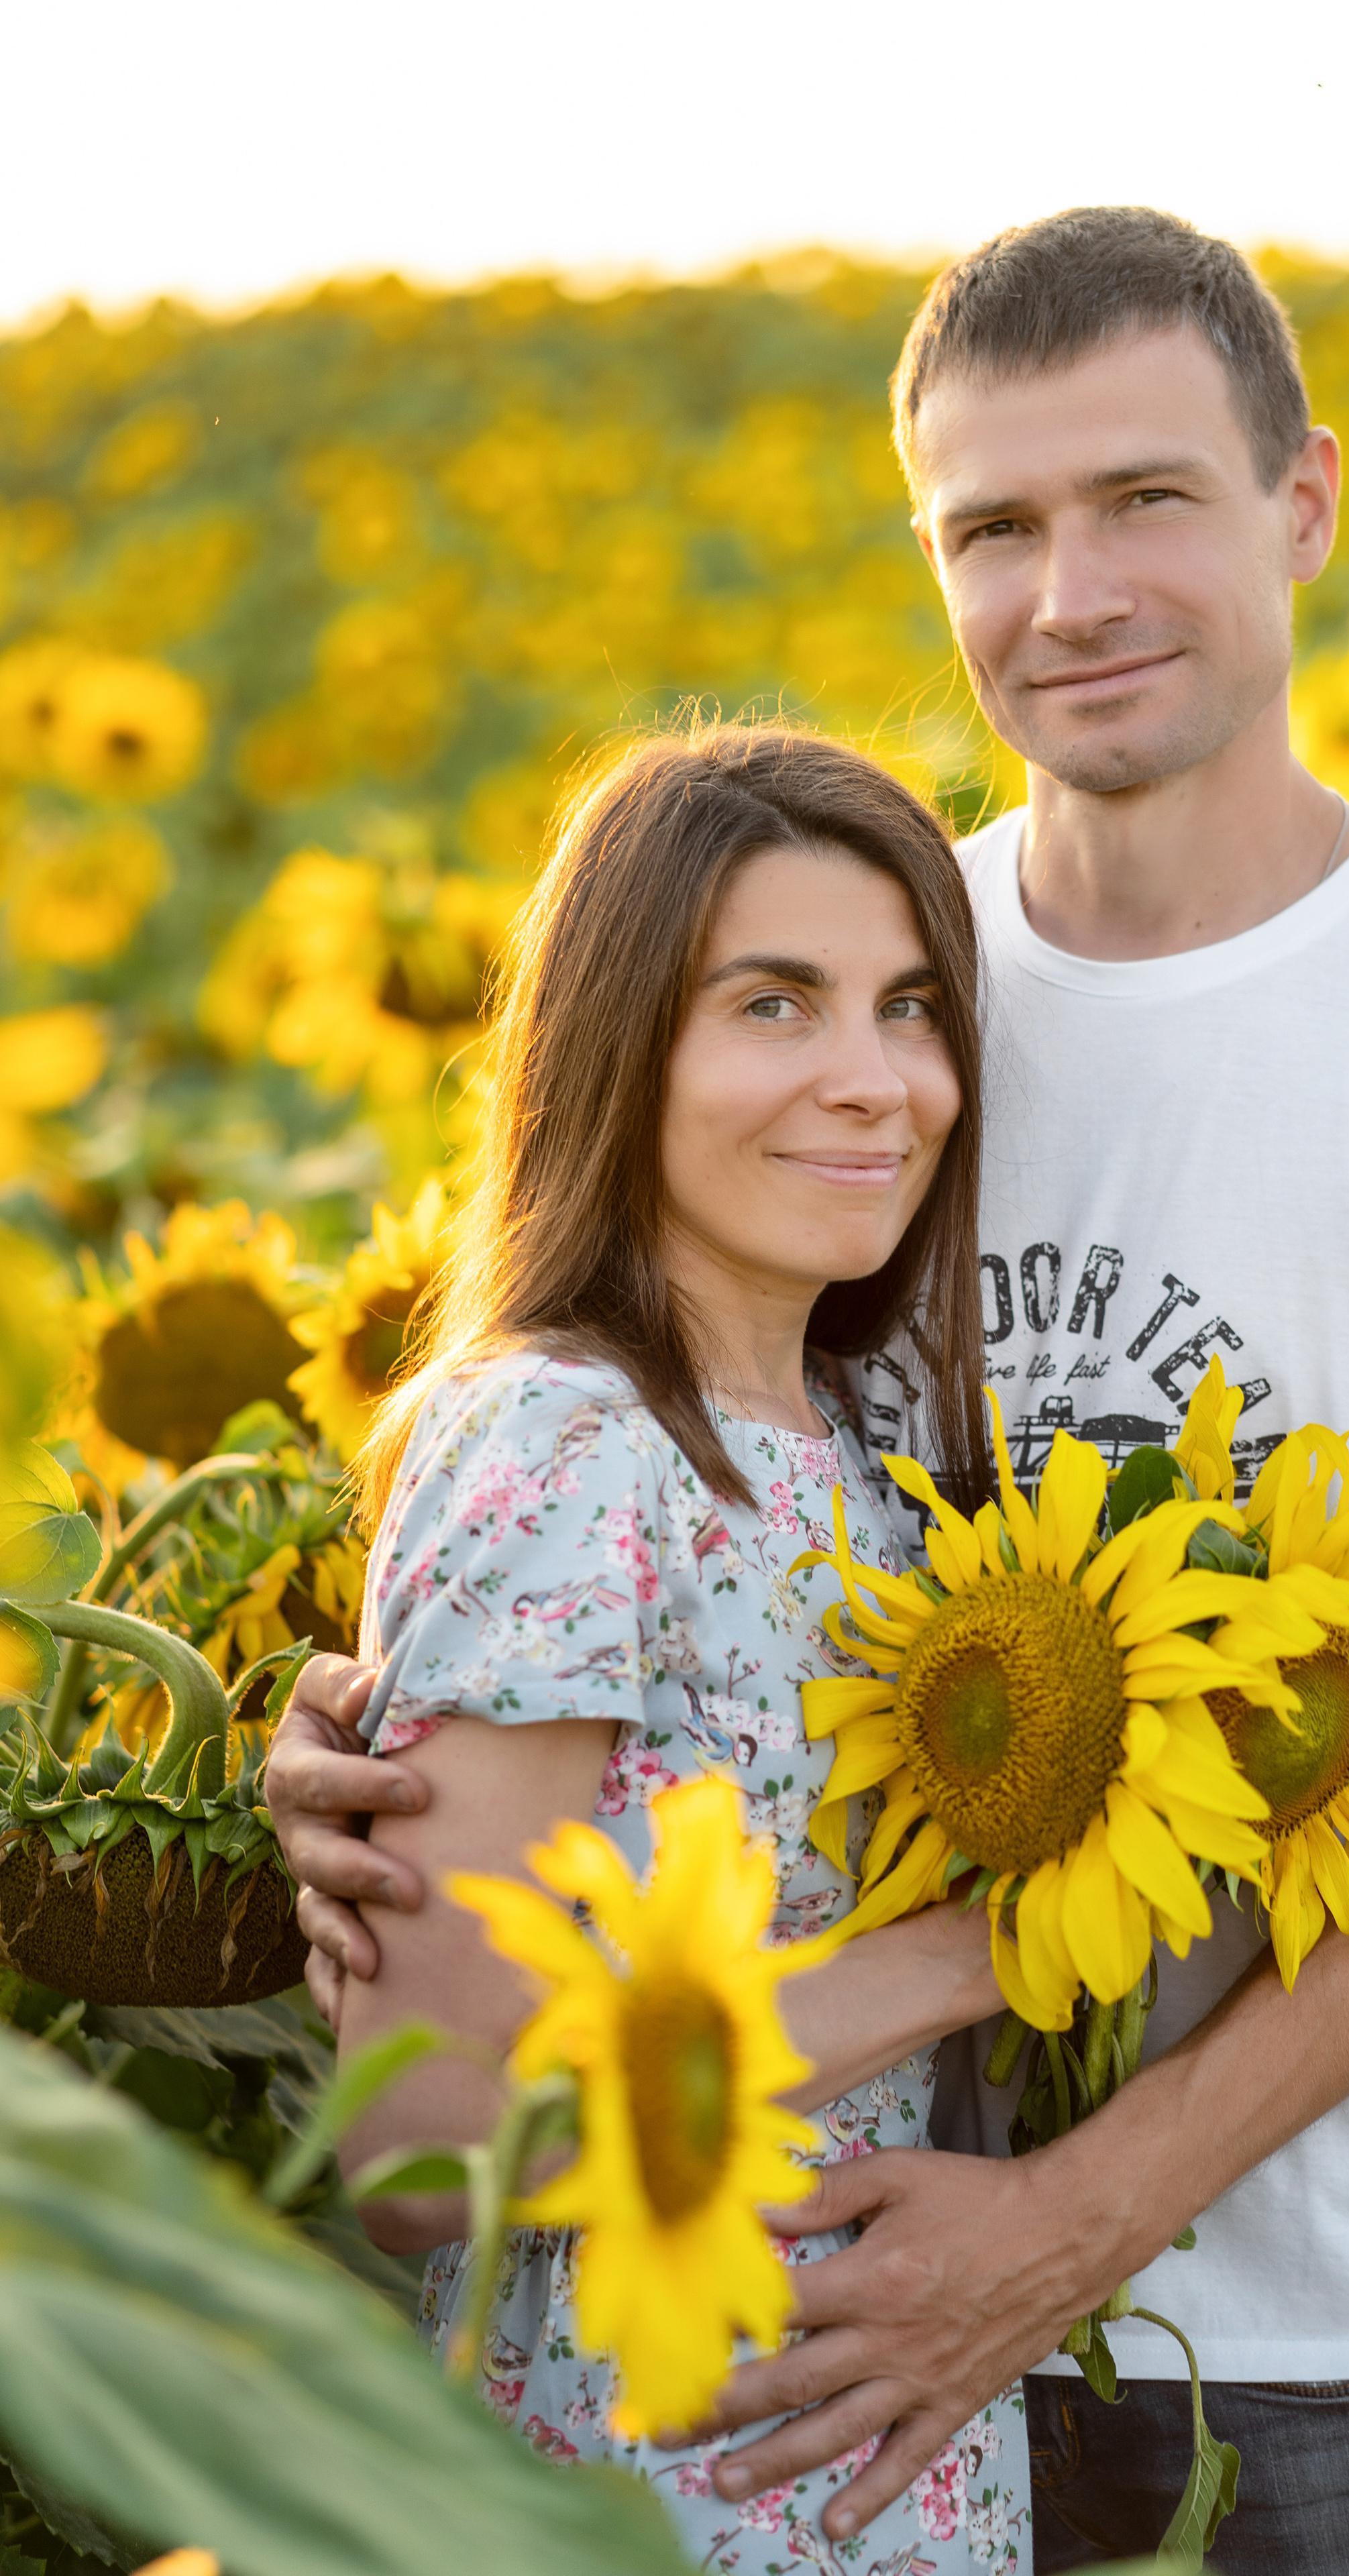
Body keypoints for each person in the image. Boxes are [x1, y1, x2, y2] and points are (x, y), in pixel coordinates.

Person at [269, 211, 1349, 2576]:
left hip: (1305, 2354)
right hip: (796, 2334)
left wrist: (1066, 2220)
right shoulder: (875, 975)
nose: (1073, 593)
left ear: (1307, 506)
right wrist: (370, 1747)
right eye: (996, 528)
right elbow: (601, 1499)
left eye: (1149, 499)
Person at [317, 722, 1031, 2575]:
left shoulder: (870, 1445)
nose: (877, 1081)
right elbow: (428, 2144)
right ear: (619, 1048)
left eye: (910, 1009)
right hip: (652, 2489)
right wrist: (978, 1957)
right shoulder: (564, 1443)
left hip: (891, 2475)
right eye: (776, 1006)